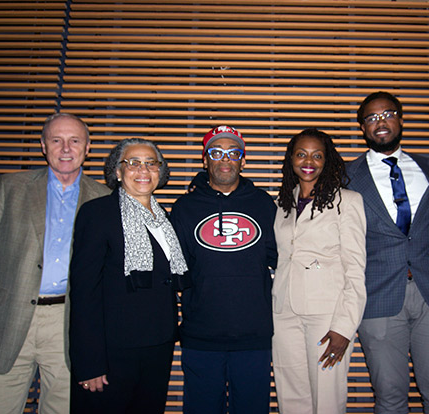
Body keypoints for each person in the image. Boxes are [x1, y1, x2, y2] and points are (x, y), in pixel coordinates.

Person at [0, 113, 110, 413]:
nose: (65, 149)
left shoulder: (104, 198)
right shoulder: (10, 187)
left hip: (70, 322)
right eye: (56, 140)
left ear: (87, 148)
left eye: (74, 141)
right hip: (5, 321)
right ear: (43, 145)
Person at [346, 91, 429, 414]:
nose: (380, 123)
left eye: (387, 114)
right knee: (390, 397)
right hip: (378, 297)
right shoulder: (347, 177)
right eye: (371, 118)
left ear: (401, 118)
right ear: (362, 128)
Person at [68, 138, 188, 413]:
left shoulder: (163, 218)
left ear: (160, 171)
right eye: (133, 163)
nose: (143, 170)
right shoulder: (98, 214)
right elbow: (85, 292)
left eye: (151, 163)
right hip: (112, 353)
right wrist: (89, 363)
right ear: (118, 172)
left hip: (157, 347)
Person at [170, 125, 277, 414]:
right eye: (216, 152)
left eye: (233, 152)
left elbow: (281, 260)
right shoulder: (185, 207)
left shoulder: (264, 204)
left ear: (243, 160)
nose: (225, 159)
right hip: (200, 335)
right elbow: (174, 271)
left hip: (253, 335)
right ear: (205, 159)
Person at [272, 128, 367, 414]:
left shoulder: (347, 201)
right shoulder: (282, 204)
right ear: (291, 159)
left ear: (327, 160)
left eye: (317, 155)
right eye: (301, 154)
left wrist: (344, 327)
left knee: (327, 396)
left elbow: (355, 269)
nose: (308, 161)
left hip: (327, 316)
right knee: (290, 395)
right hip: (284, 311)